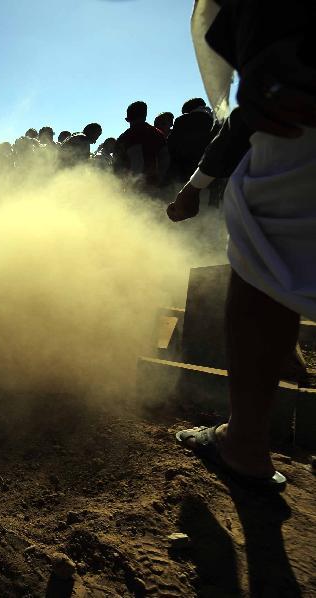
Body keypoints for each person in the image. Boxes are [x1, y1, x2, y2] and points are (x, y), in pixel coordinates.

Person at [174, 0, 316, 490]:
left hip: (297, 98)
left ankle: (245, 442)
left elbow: (245, 120)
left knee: (263, 246)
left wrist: (278, 63)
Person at [114, 101, 169, 190]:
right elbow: (165, 160)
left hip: (132, 188)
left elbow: (117, 167)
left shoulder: (123, 138)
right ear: (145, 116)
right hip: (155, 187)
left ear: (128, 119)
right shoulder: (157, 135)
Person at [168, 97, 217, 184]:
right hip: (207, 169)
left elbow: (172, 144)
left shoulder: (181, 121)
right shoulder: (213, 121)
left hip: (184, 169)